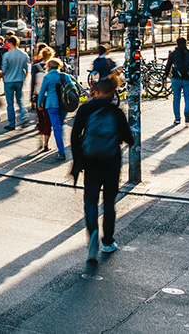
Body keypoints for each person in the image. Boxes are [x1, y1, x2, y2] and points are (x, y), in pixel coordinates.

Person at [70, 77, 133, 263]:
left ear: (96, 90)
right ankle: (108, 241)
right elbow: (129, 139)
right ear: (114, 92)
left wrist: (78, 160)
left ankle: (92, 236)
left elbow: (74, 136)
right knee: (109, 203)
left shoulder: (86, 109)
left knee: (90, 202)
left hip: (91, 163)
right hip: (111, 163)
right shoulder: (116, 112)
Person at [37, 58, 74, 160]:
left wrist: (39, 103)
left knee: (56, 128)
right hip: (64, 105)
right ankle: (61, 147)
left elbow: (42, 92)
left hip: (52, 105)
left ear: (49, 67)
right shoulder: (65, 76)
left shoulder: (47, 77)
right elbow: (72, 88)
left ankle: (61, 152)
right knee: (60, 126)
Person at [163, 37, 189, 125]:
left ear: (177, 44)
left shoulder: (173, 54)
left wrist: (164, 78)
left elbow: (168, 66)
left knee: (176, 98)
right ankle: (187, 112)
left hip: (176, 78)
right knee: (188, 97)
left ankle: (177, 118)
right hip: (188, 79)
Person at [1, 36, 31, 130]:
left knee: (10, 103)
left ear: (10, 43)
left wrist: (0, 75)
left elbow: (4, 69)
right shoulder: (24, 54)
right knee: (19, 100)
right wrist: (24, 78)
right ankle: (24, 115)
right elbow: (26, 68)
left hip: (9, 80)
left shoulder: (7, 55)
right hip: (19, 79)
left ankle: (12, 123)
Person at [31, 45, 56, 152]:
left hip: (38, 95)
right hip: (50, 97)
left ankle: (41, 139)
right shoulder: (54, 66)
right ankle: (46, 143)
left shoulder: (36, 67)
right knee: (48, 120)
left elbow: (33, 83)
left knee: (40, 119)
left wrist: (32, 98)